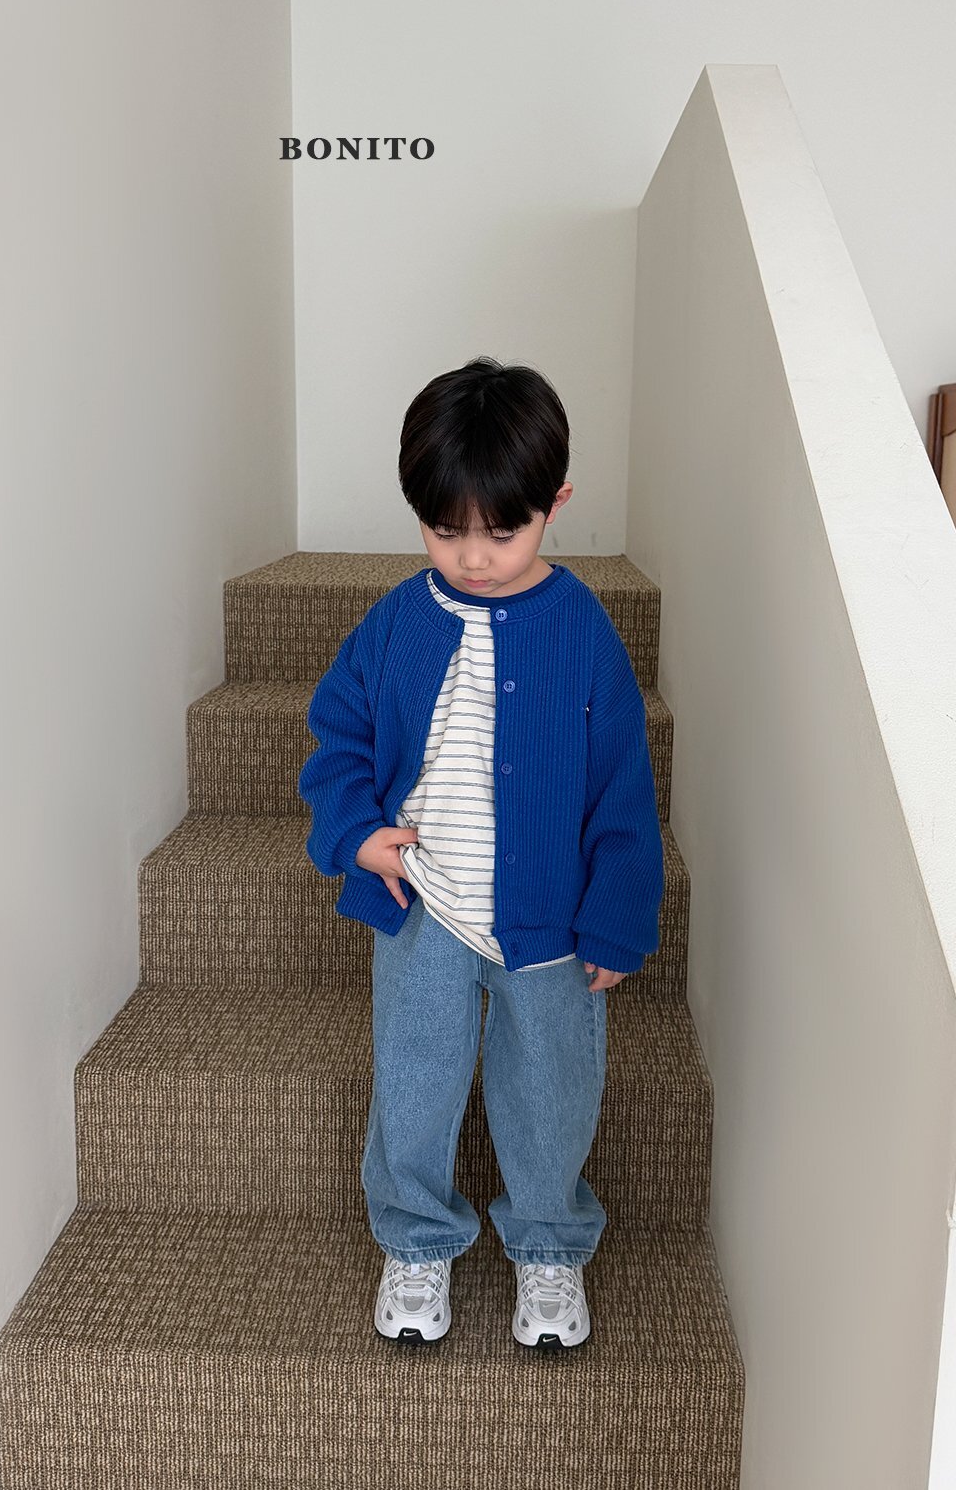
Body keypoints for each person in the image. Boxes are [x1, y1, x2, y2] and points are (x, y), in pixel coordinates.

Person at [297, 356, 664, 1350]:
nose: (472, 557)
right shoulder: (395, 624)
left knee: (551, 1086)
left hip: (551, 916)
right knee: (414, 1078)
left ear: (555, 505)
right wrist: (355, 833)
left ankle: (547, 1242)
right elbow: (337, 740)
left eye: (502, 532)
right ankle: (416, 1238)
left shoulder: (584, 634)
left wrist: (618, 915)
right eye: (444, 529)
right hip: (424, 902)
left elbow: (623, 788)